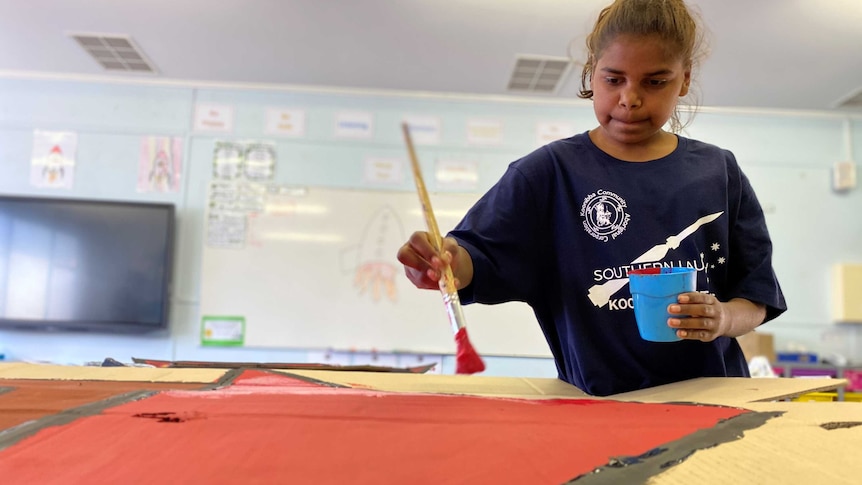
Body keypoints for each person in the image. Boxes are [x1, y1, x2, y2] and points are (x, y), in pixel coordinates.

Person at [396, 0, 787, 396]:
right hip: (598, 407)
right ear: (591, 74)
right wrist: (441, 263)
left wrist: (721, 319)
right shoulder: (547, 174)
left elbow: (755, 298)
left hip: (716, 402)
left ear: (684, 80)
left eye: (655, 81)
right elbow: (474, 262)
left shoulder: (719, 171)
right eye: (613, 79)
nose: (629, 99)